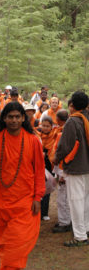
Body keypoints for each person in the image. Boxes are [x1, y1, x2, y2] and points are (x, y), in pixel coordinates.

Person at [0, 102, 45, 270]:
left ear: (23, 119)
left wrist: (38, 196)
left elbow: (39, 172)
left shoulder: (33, 141)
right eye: (10, 117)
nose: (14, 120)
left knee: (17, 244)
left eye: (17, 117)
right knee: (5, 244)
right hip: (1, 202)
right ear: (4, 118)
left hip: (25, 202)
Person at [54, 91, 89, 247]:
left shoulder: (72, 121)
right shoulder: (87, 117)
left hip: (76, 167)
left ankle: (80, 236)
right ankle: (86, 229)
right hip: (87, 167)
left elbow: (64, 146)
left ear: (72, 106)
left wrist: (55, 158)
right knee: (86, 200)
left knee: (76, 201)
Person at [52, 109, 71, 233]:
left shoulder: (62, 133)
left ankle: (64, 223)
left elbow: (62, 152)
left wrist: (62, 173)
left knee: (63, 197)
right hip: (68, 167)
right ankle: (68, 220)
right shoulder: (68, 130)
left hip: (64, 168)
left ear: (58, 120)